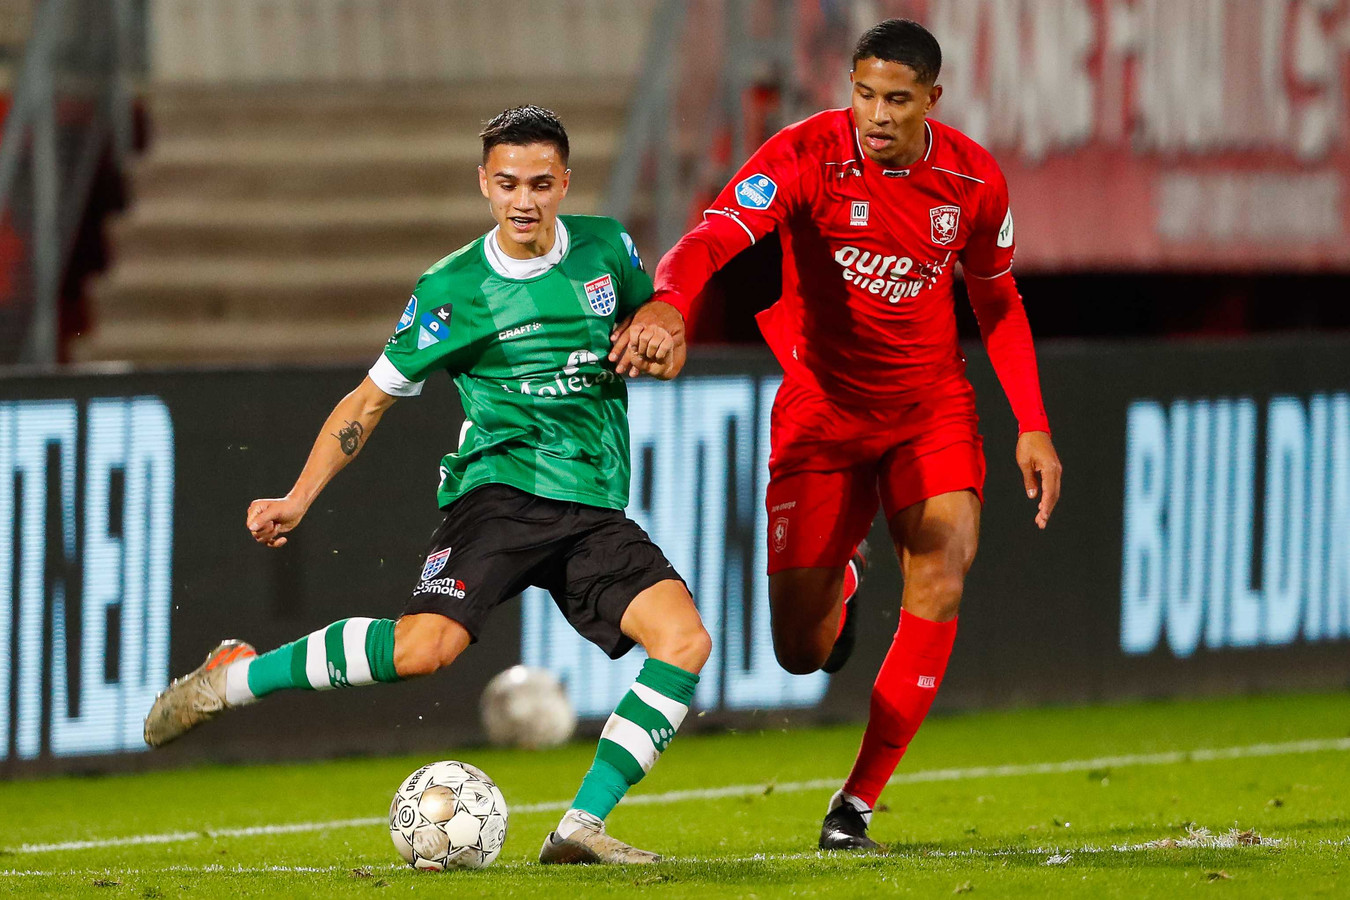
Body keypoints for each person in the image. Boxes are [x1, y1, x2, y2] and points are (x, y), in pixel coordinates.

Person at [144, 105, 710, 866]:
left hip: (594, 507)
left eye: (541, 184)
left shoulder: (608, 250)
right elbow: (368, 401)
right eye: (507, 183)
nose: (524, 201)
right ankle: (235, 678)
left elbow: (657, 319)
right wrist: (297, 497)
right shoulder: (453, 289)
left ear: (565, 182)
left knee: (683, 640)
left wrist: (664, 336)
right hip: (500, 496)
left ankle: (579, 828)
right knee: (424, 650)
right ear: (483, 183)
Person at [611, 19, 1063, 850]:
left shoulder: (972, 179)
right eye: (863, 94)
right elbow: (712, 234)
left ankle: (854, 804)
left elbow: (997, 301)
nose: (877, 114)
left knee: (944, 559)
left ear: (933, 98)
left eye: (896, 99)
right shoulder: (804, 154)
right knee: (800, 650)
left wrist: (1032, 424)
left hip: (929, 408)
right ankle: (843, 585)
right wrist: (671, 304)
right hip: (821, 414)